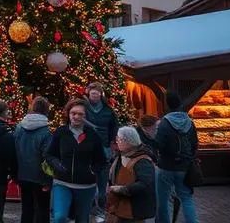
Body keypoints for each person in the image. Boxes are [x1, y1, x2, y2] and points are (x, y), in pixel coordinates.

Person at [46, 97, 106, 223]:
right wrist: (56, 163)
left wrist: (93, 170)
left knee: (82, 219)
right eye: (73, 113)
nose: (76, 117)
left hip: (86, 185)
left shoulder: (93, 135)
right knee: (59, 217)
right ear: (68, 114)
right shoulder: (60, 132)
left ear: (85, 116)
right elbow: (50, 154)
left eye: (80, 114)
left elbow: (101, 160)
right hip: (62, 182)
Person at [154, 92, 199, 223]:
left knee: (164, 199)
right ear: (180, 104)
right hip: (184, 167)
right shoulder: (189, 122)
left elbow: (159, 144)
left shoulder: (164, 123)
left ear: (167, 105)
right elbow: (195, 143)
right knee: (186, 198)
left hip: (166, 166)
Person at [105, 126, 156, 223]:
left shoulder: (142, 161)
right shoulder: (121, 155)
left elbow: (144, 184)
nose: (117, 142)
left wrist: (122, 189)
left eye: (119, 139)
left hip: (134, 209)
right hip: (119, 206)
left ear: (128, 141)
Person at [14, 96, 52, 223]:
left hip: (23, 174)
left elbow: (14, 149)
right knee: (42, 208)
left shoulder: (19, 128)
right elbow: (47, 156)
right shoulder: (46, 132)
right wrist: (48, 179)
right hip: (40, 177)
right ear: (46, 110)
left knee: (27, 207)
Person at [84, 82, 117, 222]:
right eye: (93, 94)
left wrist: (111, 142)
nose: (95, 96)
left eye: (97, 94)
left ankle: (102, 204)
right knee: (90, 176)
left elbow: (113, 127)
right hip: (87, 147)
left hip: (104, 147)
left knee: (103, 176)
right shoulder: (83, 108)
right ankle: (90, 205)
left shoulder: (108, 110)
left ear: (101, 95)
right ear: (89, 94)